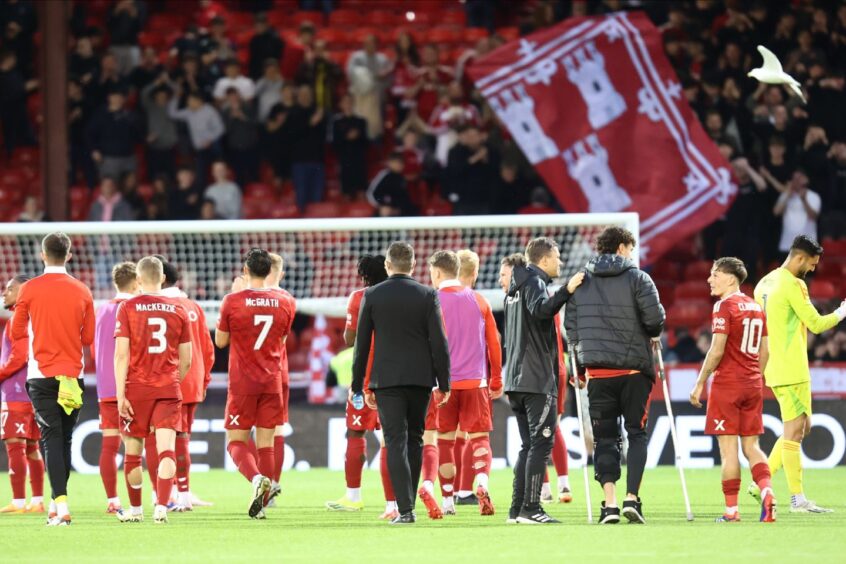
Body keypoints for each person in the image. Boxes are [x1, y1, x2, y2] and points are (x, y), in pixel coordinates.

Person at [564, 227, 665, 525]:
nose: (632, 254)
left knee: (605, 438)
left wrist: (579, 370)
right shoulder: (639, 277)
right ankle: (632, 499)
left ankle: (609, 504)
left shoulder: (580, 280)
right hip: (634, 370)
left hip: (598, 373)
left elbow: (573, 330)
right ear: (622, 247)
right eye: (631, 248)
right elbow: (655, 319)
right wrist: (653, 333)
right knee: (636, 433)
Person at [351, 242, 451, 524]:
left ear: (387, 265)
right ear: (414, 265)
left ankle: (405, 510)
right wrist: (444, 382)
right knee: (416, 439)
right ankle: (410, 507)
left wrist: (359, 384)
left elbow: (362, 345)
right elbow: (439, 343)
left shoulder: (372, 295)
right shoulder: (427, 294)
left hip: (386, 380)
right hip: (420, 380)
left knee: (394, 441)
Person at [753, 235, 846, 513]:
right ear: (800, 258)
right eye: (813, 263)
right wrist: (842, 312)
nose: (814, 269)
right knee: (795, 432)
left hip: (774, 366)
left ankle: (762, 482)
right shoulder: (794, 284)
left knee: (800, 428)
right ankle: (797, 499)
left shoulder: (764, 283)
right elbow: (816, 324)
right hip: (793, 367)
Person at [11, 232, 95, 526]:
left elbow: (15, 332)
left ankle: (60, 505)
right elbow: (87, 337)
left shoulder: (30, 289)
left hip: (42, 375)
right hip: (73, 374)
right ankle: (57, 503)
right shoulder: (83, 290)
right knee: (65, 440)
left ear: (42, 255)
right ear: (69, 255)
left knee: (51, 439)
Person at [689, 257, 776, 523]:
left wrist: (700, 382)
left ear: (730, 279)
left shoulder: (723, 307)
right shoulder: (755, 307)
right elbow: (766, 350)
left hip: (727, 384)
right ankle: (767, 492)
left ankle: (731, 511)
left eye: (715, 274)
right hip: (752, 383)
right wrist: (754, 377)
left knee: (729, 451)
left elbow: (716, 351)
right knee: (752, 445)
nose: (709, 279)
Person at [503, 237, 584, 525]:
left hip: (514, 378)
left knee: (528, 445)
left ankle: (516, 510)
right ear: (545, 259)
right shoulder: (534, 282)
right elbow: (541, 311)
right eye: (557, 257)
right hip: (535, 379)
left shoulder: (513, 288)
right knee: (541, 444)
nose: (560, 262)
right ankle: (531, 508)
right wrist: (567, 290)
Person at [215, 249, 296, 519]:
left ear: (246, 271)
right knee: (266, 444)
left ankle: (256, 480)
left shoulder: (232, 301)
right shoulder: (287, 302)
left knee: (235, 442)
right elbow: (282, 340)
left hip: (243, 382)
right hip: (272, 380)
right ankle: (264, 496)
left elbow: (221, 342)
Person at [114, 256, 192, 525]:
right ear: (162, 278)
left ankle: (135, 511)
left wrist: (121, 395)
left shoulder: (127, 307)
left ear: (137, 280)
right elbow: (187, 359)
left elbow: (121, 356)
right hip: (168, 387)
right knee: (166, 451)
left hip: (136, 389)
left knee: (133, 453)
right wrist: (173, 381)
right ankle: (161, 507)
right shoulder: (179, 309)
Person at [428, 250, 502, 518]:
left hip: (443, 385)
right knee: (479, 438)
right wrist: (496, 379)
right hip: (476, 381)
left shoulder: (431, 300)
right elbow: (494, 342)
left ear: (437, 273)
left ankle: (447, 500)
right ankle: (481, 483)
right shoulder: (479, 300)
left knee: (445, 441)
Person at [326, 254, 398, 519]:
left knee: (356, 433)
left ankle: (353, 496)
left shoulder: (359, 297)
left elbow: (349, 338)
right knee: (393, 438)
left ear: (364, 275)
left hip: (365, 377)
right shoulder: (398, 295)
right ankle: (394, 503)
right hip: (394, 375)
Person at [158, 257, 215, 511]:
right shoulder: (193, 306)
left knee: (168, 440)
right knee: (182, 439)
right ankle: (182, 492)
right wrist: (204, 379)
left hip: (169, 381)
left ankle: (174, 495)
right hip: (193, 382)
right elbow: (207, 348)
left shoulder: (160, 307)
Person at [93, 262, 137, 514]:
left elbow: (94, 347)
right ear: (135, 282)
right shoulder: (133, 308)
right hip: (130, 386)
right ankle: (154, 498)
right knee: (139, 445)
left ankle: (112, 500)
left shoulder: (102, 310)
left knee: (109, 445)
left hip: (105, 386)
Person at [0, 275, 44, 514]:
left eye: (10, 289)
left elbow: (19, 356)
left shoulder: (19, 317)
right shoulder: (34, 318)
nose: (4, 293)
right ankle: (36, 501)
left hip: (17, 391)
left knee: (15, 444)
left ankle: (18, 501)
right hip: (34, 391)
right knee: (32, 446)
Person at [264, 253, 296, 498]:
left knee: (253, 431)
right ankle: (272, 483)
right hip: (278, 370)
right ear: (281, 273)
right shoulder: (287, 299)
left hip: (248, 373)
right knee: (276, 429)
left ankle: (260, 481)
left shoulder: (243, 298)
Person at [774, 170, 821, 255]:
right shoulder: (786, 195)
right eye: (794, 179)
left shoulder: (813, 196)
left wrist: (804, 200)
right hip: (787, 245)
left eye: (799, 178)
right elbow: (776, 212)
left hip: (808, 246)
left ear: (805, 180)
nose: (797, 181)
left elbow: (813, 217)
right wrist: (787, 195)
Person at [331, 93, 369, 199]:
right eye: (345, 102)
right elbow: (335, 145)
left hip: (359, 161)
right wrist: (347, 138)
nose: (347, 104)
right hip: (345, 162)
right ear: (341, 105)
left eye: (349, 101)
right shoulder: (337, 123)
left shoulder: (361, 122)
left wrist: (357, 136)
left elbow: (366, 143)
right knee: (346, 193)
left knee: (361, 192)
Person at [366, 152, 416, 217]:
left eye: (400, 163)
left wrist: (399, 209)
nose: (397, 165)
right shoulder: (384, 175)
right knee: (385, 211)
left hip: (399, 211)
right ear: (389, 163)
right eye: (395, 162)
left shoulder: (402, 179)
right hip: (383, 211)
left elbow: (404, 199)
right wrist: (381, 206)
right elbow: (371, 193)